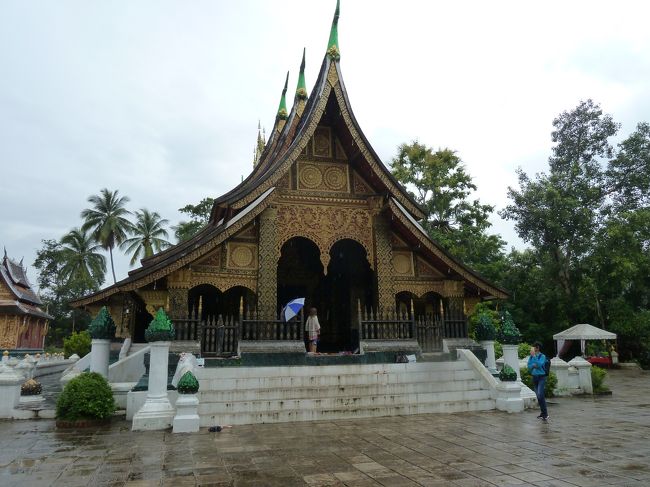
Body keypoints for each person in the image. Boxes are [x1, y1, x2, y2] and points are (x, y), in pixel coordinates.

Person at [528, 341, 549, 420]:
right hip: (535, 377)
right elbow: (529, 366)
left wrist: (534, 358)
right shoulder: (531, 357)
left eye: (534, 347)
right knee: (538, 396)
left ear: (538, 348)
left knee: (540, 394)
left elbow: (539, 365)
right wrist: (534, 365)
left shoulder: (542, 356)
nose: (533, 349)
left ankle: (545, 414)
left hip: (541, 377)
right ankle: (543, 413)